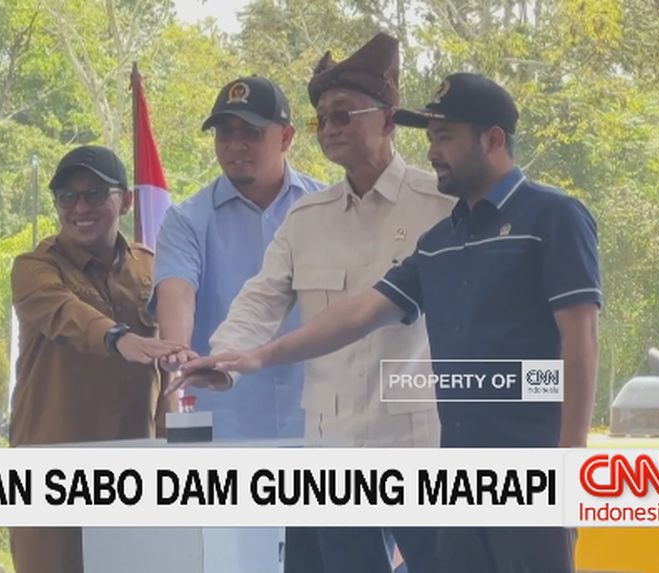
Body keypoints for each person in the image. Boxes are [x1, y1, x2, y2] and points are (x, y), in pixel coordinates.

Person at [179, 73, 601, 573]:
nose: (434, 152)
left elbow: (580, 340)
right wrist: (252, 356)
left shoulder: (545, 215)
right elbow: (356, 313)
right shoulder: (441, 239)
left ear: (492, 140)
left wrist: (570, 458)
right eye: (431, 139)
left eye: (444, 137)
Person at [168, 33, 451, 573]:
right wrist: (225, 358)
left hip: (418, 446)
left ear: (389, 120)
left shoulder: (441, 205)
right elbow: (260, 300)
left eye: (344, 115)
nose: (331, 129)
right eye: (322, 118)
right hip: (331, 450)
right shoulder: (308, 218)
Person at [151, 75, 325, 571]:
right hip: (228, 437)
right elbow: (176, 289)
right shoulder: (187, 219)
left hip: (318, 431)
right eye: (225, 133)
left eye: (251, 132)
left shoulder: (326, 209)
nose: (235, 145)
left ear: (286, 137)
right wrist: (179, 350)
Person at [8, 145, 184, 573]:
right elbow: (65, 312)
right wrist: (117, 337)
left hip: (134, 474)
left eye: (95, 194)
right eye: (67, 197)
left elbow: (168, 372)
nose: (80, 208)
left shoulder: (150, 268)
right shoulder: (35, 268)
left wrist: (172, 448)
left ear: (125, 201)